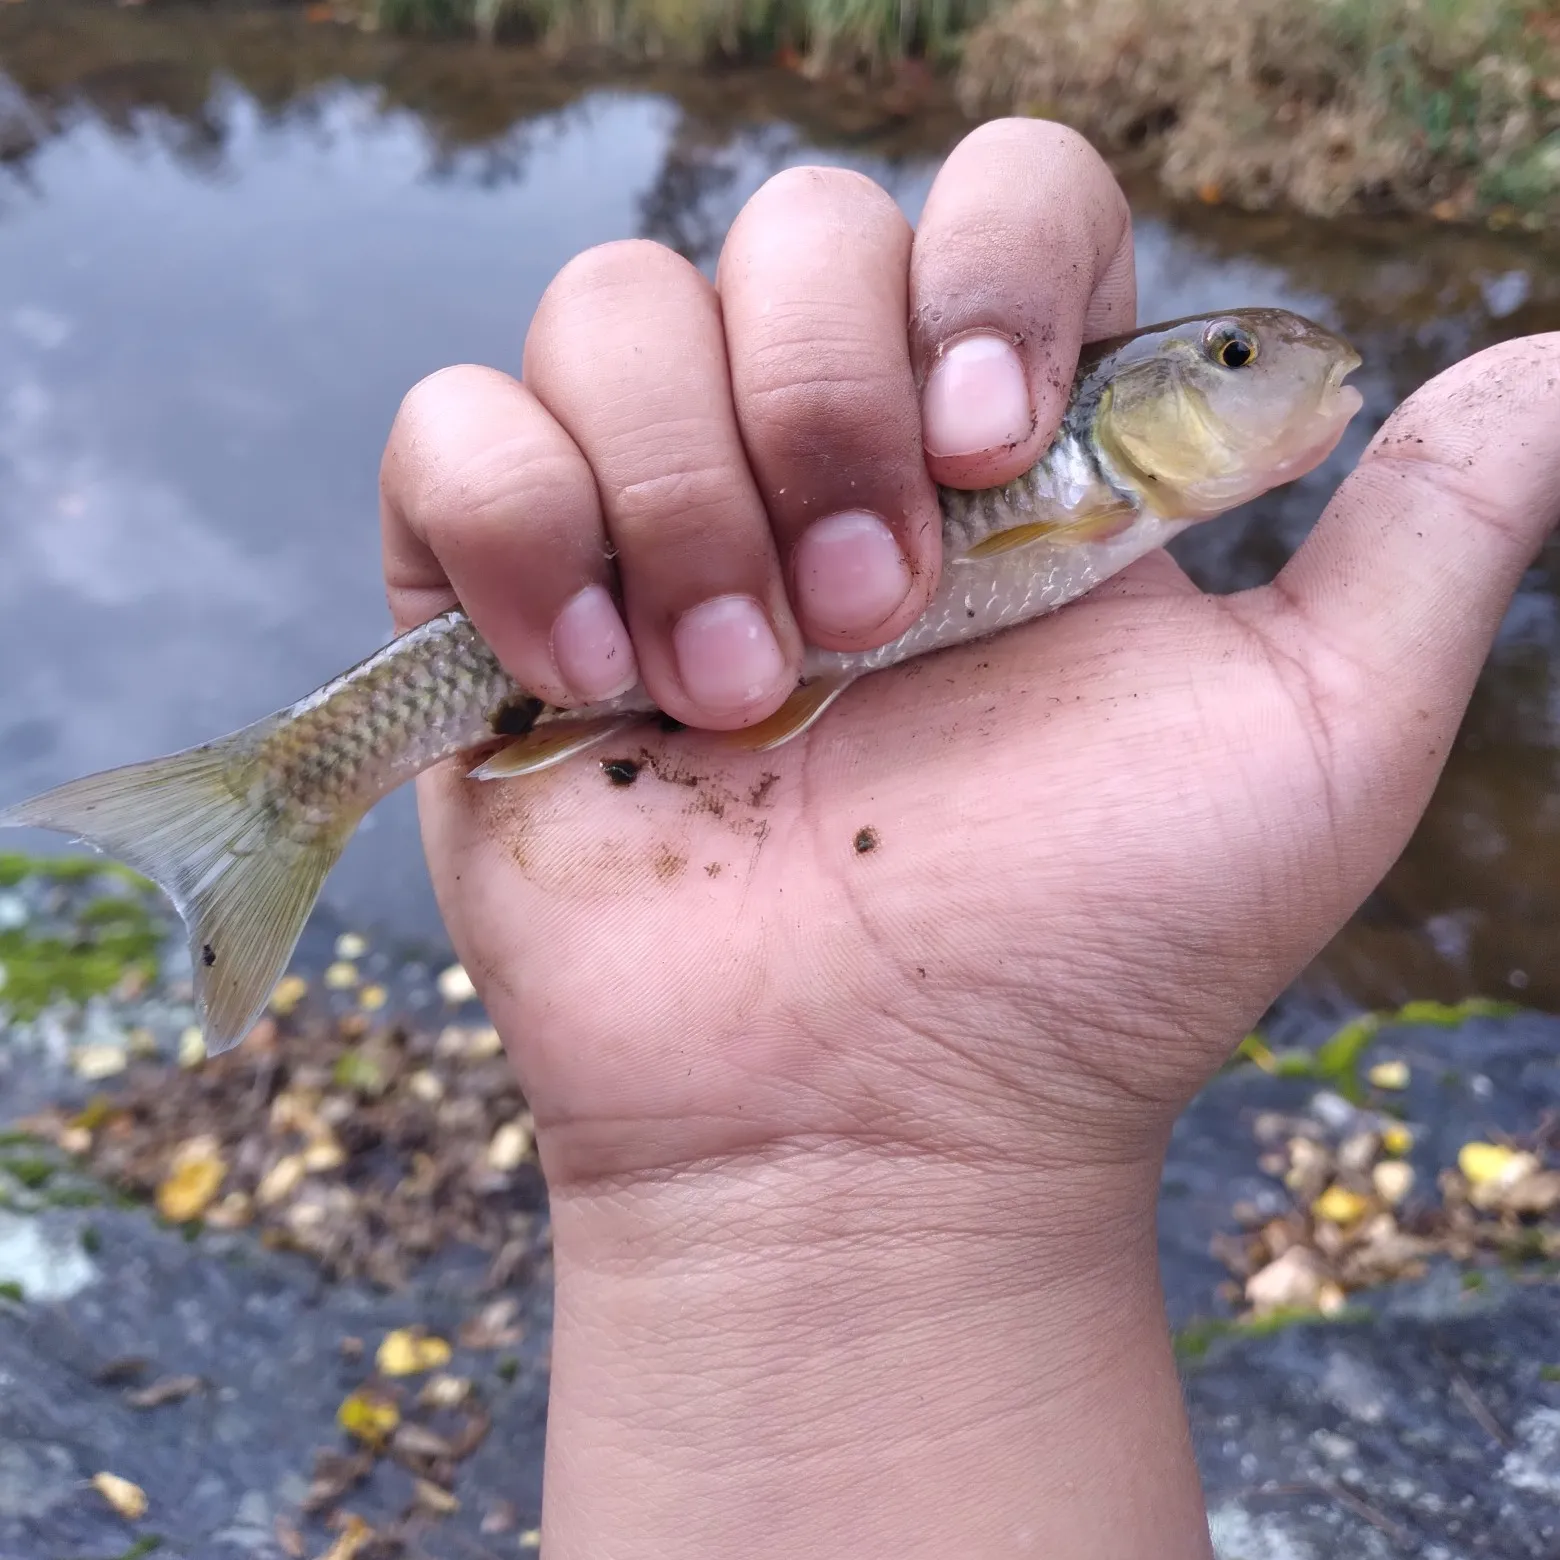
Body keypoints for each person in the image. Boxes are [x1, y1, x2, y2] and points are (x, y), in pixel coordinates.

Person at [376, 118, 1560, 1558]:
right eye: (1233, 358)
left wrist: (926, 1175)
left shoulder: (1099, 518)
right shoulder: (1059, 480)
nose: (1277, 364)